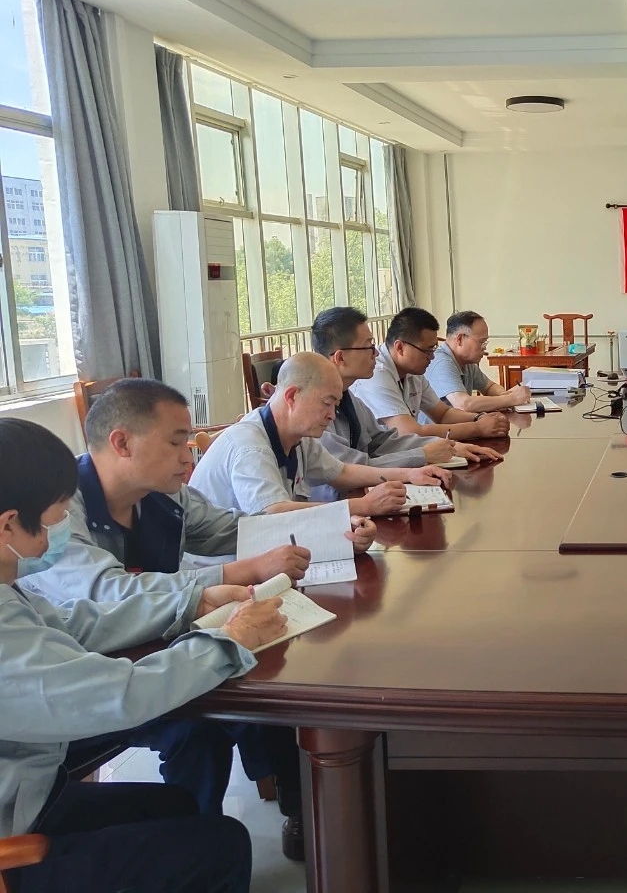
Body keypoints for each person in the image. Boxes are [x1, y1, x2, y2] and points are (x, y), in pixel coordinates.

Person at [15, 379, 370, 860]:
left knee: (249, 680)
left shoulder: (164, 494)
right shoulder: (57, 509)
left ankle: (276, 813)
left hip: (137, 653)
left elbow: (233, 529)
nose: (190, 456)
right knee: (207, 713)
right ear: (122, 442)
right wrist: (228, 581)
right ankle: (190, 850)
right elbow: (106, 595)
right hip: (85, 684)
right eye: (177, 442)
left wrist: (331, 530)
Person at [0, 418, 287, 893]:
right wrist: (228, 641)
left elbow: (76, 623)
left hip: (29, 794)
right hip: (14, 840)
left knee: (178, 807)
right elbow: (115, 695)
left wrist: (191, 603)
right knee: (222, 844)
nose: (62, 527)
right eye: (56, 515)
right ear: (9, 522)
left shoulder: (8, 589)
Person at [190, 352, 453, 516]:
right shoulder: (251, 446)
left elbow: (341, 472)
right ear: (292, 396)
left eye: (335, 405)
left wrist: (410, 474)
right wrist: (363, 506)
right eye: (327, 403)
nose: (331, 415)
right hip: (224, 569)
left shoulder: (297, 435)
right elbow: (273, 514)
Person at [311, 306, 501, 476]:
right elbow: (348, 467)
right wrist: (423, 454)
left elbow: (382, 441)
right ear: (340, 357)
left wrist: (450, 447)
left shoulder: (348, 398)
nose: (375, 353)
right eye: (368, 346)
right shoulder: (317, 407)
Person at [350, 307, 511, 442]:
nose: (432, 357)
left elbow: (443, 414)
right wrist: (477, 428)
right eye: (427, 351)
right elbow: (410, 432)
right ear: (400, 347)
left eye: (433, 349)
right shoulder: (376, 374)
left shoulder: (413, 370)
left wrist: (479, 418)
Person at [426, 311, 532, 413]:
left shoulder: (466, 362)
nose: (484, 348)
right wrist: (511, 399)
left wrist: (503, 394)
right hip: (440, 426)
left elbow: (489, 387)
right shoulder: (441, 362)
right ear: (460, 339)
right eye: (481, 342)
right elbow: (464, 405)